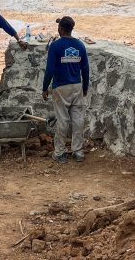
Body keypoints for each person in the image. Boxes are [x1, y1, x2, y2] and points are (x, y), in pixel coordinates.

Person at [42, 16, 90, 164]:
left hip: (61, 87)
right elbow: (85, 68)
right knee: (78, 120)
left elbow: (50, 69)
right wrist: (85, 87)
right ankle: (78, 152)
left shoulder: (55, 46)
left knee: (62, 120)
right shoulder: (80, 45)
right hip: (76, 86)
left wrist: (45, 88)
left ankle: (60, 153)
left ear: (60, 29)